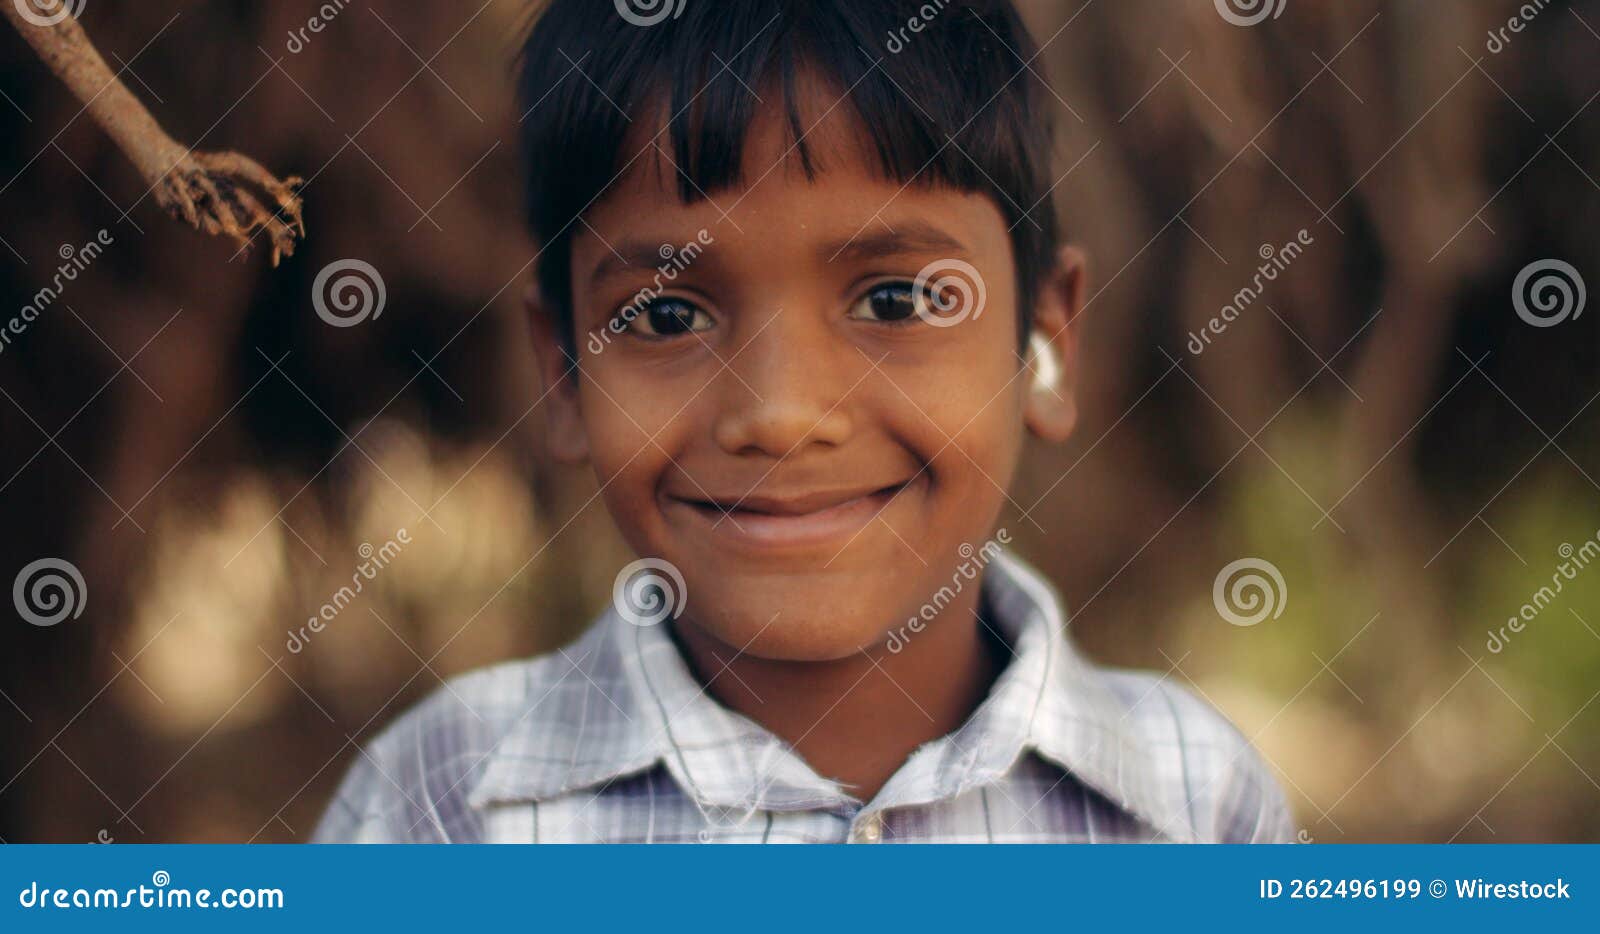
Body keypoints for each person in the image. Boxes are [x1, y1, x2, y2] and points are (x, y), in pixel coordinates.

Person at [314, 0, 1296, 844]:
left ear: (1043, 340)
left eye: (898, 301)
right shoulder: (436, 812)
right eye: (665, 314)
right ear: (564, 375)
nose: (780, 416)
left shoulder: (1190, 807)